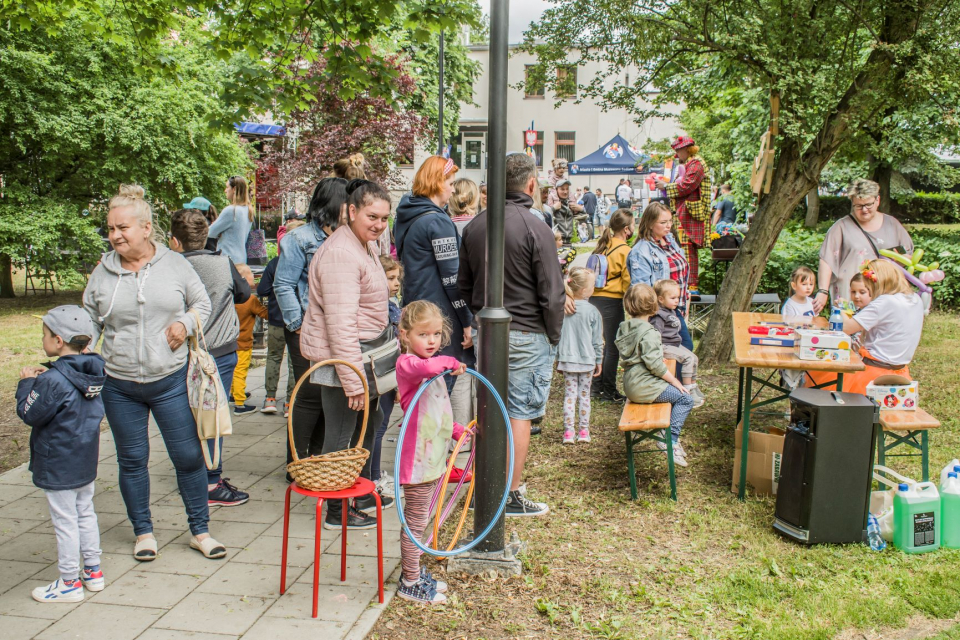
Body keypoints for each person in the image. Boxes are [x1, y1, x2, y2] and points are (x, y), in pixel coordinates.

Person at [83, 185, 226, 561]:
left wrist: (186, 323)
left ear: (146, 228)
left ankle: (200, 531)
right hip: (120, 384)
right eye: (111, 228)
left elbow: (202, 303)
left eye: (122, 227)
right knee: (132, 460)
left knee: (189, 457)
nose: (115, 235)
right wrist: (81, 348)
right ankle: (143, 532)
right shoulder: (103, 272)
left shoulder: (175, 264)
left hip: (170, 381)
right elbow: (89, 321)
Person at [458, 152, 565, 516]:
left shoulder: (475, 226)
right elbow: (552, 292)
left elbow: (463, 284)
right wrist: (553, 335)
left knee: (489, 410)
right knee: (519, 414)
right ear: (531, 185)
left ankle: (486, 488)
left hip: (487, 330)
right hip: (527, 331)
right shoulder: (537, 227)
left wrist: (477, 319)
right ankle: (511, 493)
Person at [300, 179, 393, 529]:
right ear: (351, 211)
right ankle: (336, 512)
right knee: (341, 438)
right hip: (344, 364)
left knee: (365, 430)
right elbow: (340, 324)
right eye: (373, 216)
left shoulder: (361, 243)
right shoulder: (341, 253)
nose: (379, 225)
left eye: (385, 218)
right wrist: (353, 381)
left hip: (360, 360)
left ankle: (355, 493)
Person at [17, 306, 106, 603]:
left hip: (58, 461)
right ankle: (93, 572)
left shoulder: (51, 382)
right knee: (84, 512)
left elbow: (30, 413)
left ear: (57, 341)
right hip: (84, 457)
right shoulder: (95, 370)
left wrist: (27, 383)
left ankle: (68, 582)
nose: (42, 339)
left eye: (44, 334)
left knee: (64, 521)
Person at [169, 208, 252, 506]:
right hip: (219, 351)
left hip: (181, 353)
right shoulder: (222, 263)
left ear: (174, 241)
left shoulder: (170, 266)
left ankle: (192, 477)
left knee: (184, 417)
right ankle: (210, 482)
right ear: (207, 234)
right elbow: (243, 294)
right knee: (214, 416)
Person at [394, 301, 468, 604]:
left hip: (434, 457)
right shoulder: (408, 364)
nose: (432, 341)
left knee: (421, 517)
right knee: (415, 521)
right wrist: (450, 361)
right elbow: (429, 366)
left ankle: (414, 572)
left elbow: (438, 412)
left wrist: (458, 430)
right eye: (424, 334)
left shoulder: (434, 369)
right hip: (417, 461)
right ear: (404, 335)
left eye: (437, 334)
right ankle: (409, 581)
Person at [274, 177, 348, 470]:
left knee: (327, 393)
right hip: (305, 330)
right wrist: (297, 326)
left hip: (334, 329)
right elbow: (283, 285)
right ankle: (297, 460)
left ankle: (315, 458)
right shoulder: (299, 239)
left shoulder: (346, 238)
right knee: (309, 394)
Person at [395, 156, 473, 376]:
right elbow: (451, 278)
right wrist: (467, 321)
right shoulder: (437, 222)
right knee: (438, 390)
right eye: (450, 184)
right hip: (439, 318)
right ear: (438, 184)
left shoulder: (408, 215)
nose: (452, 191)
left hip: (416, 311)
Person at [809, 259, 924, 394]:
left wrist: (841, 308)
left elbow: (845, 328)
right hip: (900, 372)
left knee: (817, 372)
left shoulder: (885, 301)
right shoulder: (915, 299)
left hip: (872, 372)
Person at [616, 284, 694, 467]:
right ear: (654, 305)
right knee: (685, 399)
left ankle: (669, 438)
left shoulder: (625, 327)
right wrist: (676, 381)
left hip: (631, 385)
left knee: (676, 396)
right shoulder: (649, 332)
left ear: (628, 304)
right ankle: (669, 439)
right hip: (646, 387)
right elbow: (655, 366)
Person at [813, 178, 914, 313]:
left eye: (868, 204)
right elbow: (827, 259)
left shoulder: (892, 224)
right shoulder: (841, 227)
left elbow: (908, 255)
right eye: (859, 206)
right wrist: (823, 291)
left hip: (885, 293)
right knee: (850, 330)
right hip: (852, 295)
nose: (864, 210)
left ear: (877, 200)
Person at [627, 203, 695, 351]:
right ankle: (672, 375)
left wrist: (684, 299)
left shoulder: (670, 241)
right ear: (650, 224)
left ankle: (673, 375)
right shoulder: (641, 251)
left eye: (670, 221)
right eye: (663, 222)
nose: (668, 225)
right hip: (659, 312)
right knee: (679, 349)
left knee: (679, 349)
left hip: (676, 306)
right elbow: (641, 290)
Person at [257, 218, 304, 416]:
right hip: (298, 321)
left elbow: (262, 289)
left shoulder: (274, 263)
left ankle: (269, 398)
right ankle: (290, 402)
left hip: (276, 317)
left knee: (274, 357)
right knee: (294, 361)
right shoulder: (305, 263)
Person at [655, 136, 712, 298]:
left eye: (678, 150)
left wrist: (666, 186)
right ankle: (687, 284)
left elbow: (687, 185)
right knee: (684, 248)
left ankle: (691, 285)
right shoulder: (689, 164)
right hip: (685, 213)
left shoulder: (696, 164)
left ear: (687, 149)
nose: (677, 154)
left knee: (688, 249)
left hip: (692, 214)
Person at [586, 209, 634, 401]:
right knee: (612, 348)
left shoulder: (602, 246)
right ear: (626, 229)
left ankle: (595, 388)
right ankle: (609, 391)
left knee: (598, 345)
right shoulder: (625, 251)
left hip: (593, 299)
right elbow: (627, 281)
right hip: (611, 302)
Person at [557, 268, 603, 444]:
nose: (594, 288)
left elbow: (557, 336)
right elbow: (597, 340)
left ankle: (568, 433)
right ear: (584, 290)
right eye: (592, 285)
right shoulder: (593, 311)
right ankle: (583, 431)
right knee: (584, 396)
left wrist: (558, 359)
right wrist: (599, 360)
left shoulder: (564, 308)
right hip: (587, 360)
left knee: (569, 396)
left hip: (567, 360)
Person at [371, 255, 403, 499]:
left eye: (397, 278)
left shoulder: (389, 303)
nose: (396, 283)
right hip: (382, 374)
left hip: (386, 374)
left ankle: (374, 474)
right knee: (378, 428)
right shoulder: (382, 308)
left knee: (378, 427)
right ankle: (374, 479)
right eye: (390, 278)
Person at [652, 279, 704, 407]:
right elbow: (654, 336)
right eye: (673, 298)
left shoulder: (671, 310)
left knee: (694, 358)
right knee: (687, 359)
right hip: (665, 346)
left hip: (674, 344)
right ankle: (687, 391)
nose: (677, 301)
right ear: (660, 299)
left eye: (678, 297)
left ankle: (693, 385)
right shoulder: (659, 315)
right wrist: (659, 353)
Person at [232, 263, 268, 412]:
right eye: (251, 275)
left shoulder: (230, 297)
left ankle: (234, 394)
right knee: (241, 371)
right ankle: (240, 403)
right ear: (244, 279)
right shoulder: (250, 300)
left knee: (233, 369)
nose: (254, 277)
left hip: (230, 342)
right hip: (244, 342)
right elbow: (264, 314)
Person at [207, 176, 253, 265]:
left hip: (227, 259)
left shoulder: (231, 210)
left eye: (227, 187)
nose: (225, 190)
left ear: (234, 189)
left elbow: (210, 232)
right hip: (241, 259)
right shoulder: (248, 210)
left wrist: (218, 229)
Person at [553, 179, 581, 245]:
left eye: (567, 189)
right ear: (556, 190)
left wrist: (581, 209)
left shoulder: (570, 204)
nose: (565, 192)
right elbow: (544, 215)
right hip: (556, 243)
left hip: (568, 242)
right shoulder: (551, 202)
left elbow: (585, 217)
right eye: (562, 189)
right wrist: (553, 208)